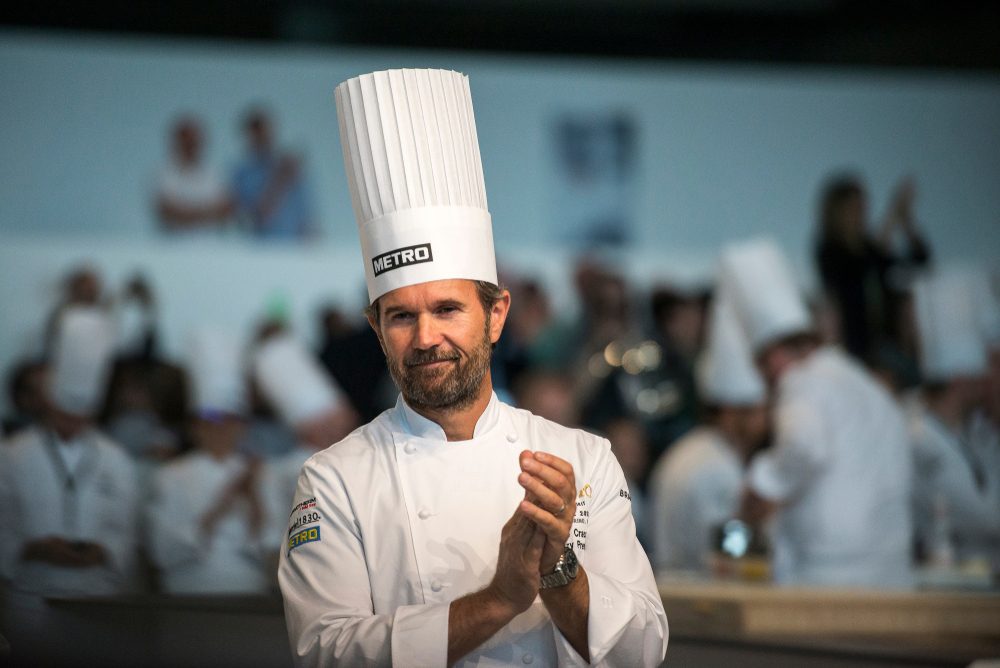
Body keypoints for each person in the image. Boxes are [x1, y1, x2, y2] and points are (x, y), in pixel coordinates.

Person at [278, 68, 668, 667]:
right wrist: (498, 600)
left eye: (447, 309)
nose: (426, 337)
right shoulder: (335, 480)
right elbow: (326, 653)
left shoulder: (581, 460)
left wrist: (559, 568)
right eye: (401, 316)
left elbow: (643, 650)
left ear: (496, 315)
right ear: (377, 329)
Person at [725, 239, 913, 588]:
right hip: (890, 571)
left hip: (831, 576)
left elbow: (804, 445)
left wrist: (761, 484)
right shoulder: (860, 380)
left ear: (774, 356)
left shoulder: (801, 382)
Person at [0, 307, 138, 659]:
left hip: (97, 598)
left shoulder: (116, 458)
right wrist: (34, 547)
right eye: (64, 414)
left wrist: (102, 549)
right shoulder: (13, 454)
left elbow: (124, 527)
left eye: (79, 416)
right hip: (30, 597)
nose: (71, 424)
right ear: (48, 402)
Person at [648, 293, 769, 572]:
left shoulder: (696, 449)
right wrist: (753, 520)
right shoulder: (715, 470)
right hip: (698, 602)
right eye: (760, 410)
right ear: (732, 413)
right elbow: (728, 557)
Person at [146, 327, 269, 594]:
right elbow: (161, 551)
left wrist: (253, 497)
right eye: (211, 419)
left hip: (249, 599)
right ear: (195, 426)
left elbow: (276, 550)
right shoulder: (170, 476)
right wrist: (223, 502)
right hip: (188, 596)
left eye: (230, 419)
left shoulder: (261, 474)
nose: (221, 428)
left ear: (242, 426)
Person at [905, 270, 1000, 569]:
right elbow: (987, 518)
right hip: (954, 588)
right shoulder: (917, 437)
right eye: (986, 368)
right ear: (962, 375)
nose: (989, 378)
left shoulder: (976, 431)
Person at [253, 332, 358, 561]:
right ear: (312, 426)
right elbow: (272, 542)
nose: (348, 417)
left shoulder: (361, 458)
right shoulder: (283, 472)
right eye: (335, 415)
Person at [814, 174, 931, 363]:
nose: (861, 213)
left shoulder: (869, 248)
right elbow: (859, 266)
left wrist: (906, 221)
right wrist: (893, 214)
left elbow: (919, 261)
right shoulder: (830, 250)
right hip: (858, 347)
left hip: (890, 342)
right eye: (854, 208)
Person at [233, 107, 315, 240]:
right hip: (262, 248)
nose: (263, 139)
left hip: (295, 246)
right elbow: (254, 217)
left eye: (266, 133)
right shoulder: (243, 174)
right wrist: (280, 179)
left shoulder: (292, 168)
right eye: (258, 135)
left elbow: (305, 211)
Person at [154, 115, 234, 232]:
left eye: (194, 142)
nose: (191, 147)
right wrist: (208, 212)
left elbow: (226, 209)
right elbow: (167, 211)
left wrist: (187, 211)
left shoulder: (214, 174)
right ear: (178, 143)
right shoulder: (165, 174)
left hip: (211, 246)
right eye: (187, 143)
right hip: (174, 246)